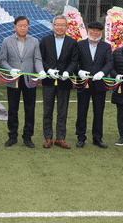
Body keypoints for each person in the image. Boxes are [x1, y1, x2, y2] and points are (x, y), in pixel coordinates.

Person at [0, 16, 43, 149]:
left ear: (28, 27)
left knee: (30, 109)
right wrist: (10, 70)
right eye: (20, 25)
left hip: (29, 80)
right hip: (13, 80)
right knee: (13, 109)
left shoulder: (34, 41)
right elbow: (2, 60)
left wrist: (40, 71)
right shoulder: (7, 41)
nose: (23, 28)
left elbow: (37, 59)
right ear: (15, 26)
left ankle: (27, 137)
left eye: (25, 25)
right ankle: (12, 136)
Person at [39, 15, 78, 149]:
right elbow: (40, 59)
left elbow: (74, 60)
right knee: (47, 110)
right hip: (48, 81)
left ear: (67, 27)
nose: (60, 27)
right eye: (57, 24)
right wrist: (48, 69)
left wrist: (68, 71)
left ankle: (60, 138)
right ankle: (48, 138)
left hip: (64, 81)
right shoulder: (45, 40)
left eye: (63, 25)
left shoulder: (72, 42)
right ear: (53, 26)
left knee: (63, 111)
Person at [75, 21, 113, 149]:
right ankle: (81, 137)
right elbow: (74, 62)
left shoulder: (106, 46)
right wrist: (79, 71)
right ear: (88, 30)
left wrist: (102, 73)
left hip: (99, 83)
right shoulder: (80, 45)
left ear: (101, 32)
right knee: (81, 110)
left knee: (99, 111)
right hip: (84, 83)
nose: (95, 33)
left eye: (98, 31)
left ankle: (97, 137)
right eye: (92, 30)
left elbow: (109, 63)